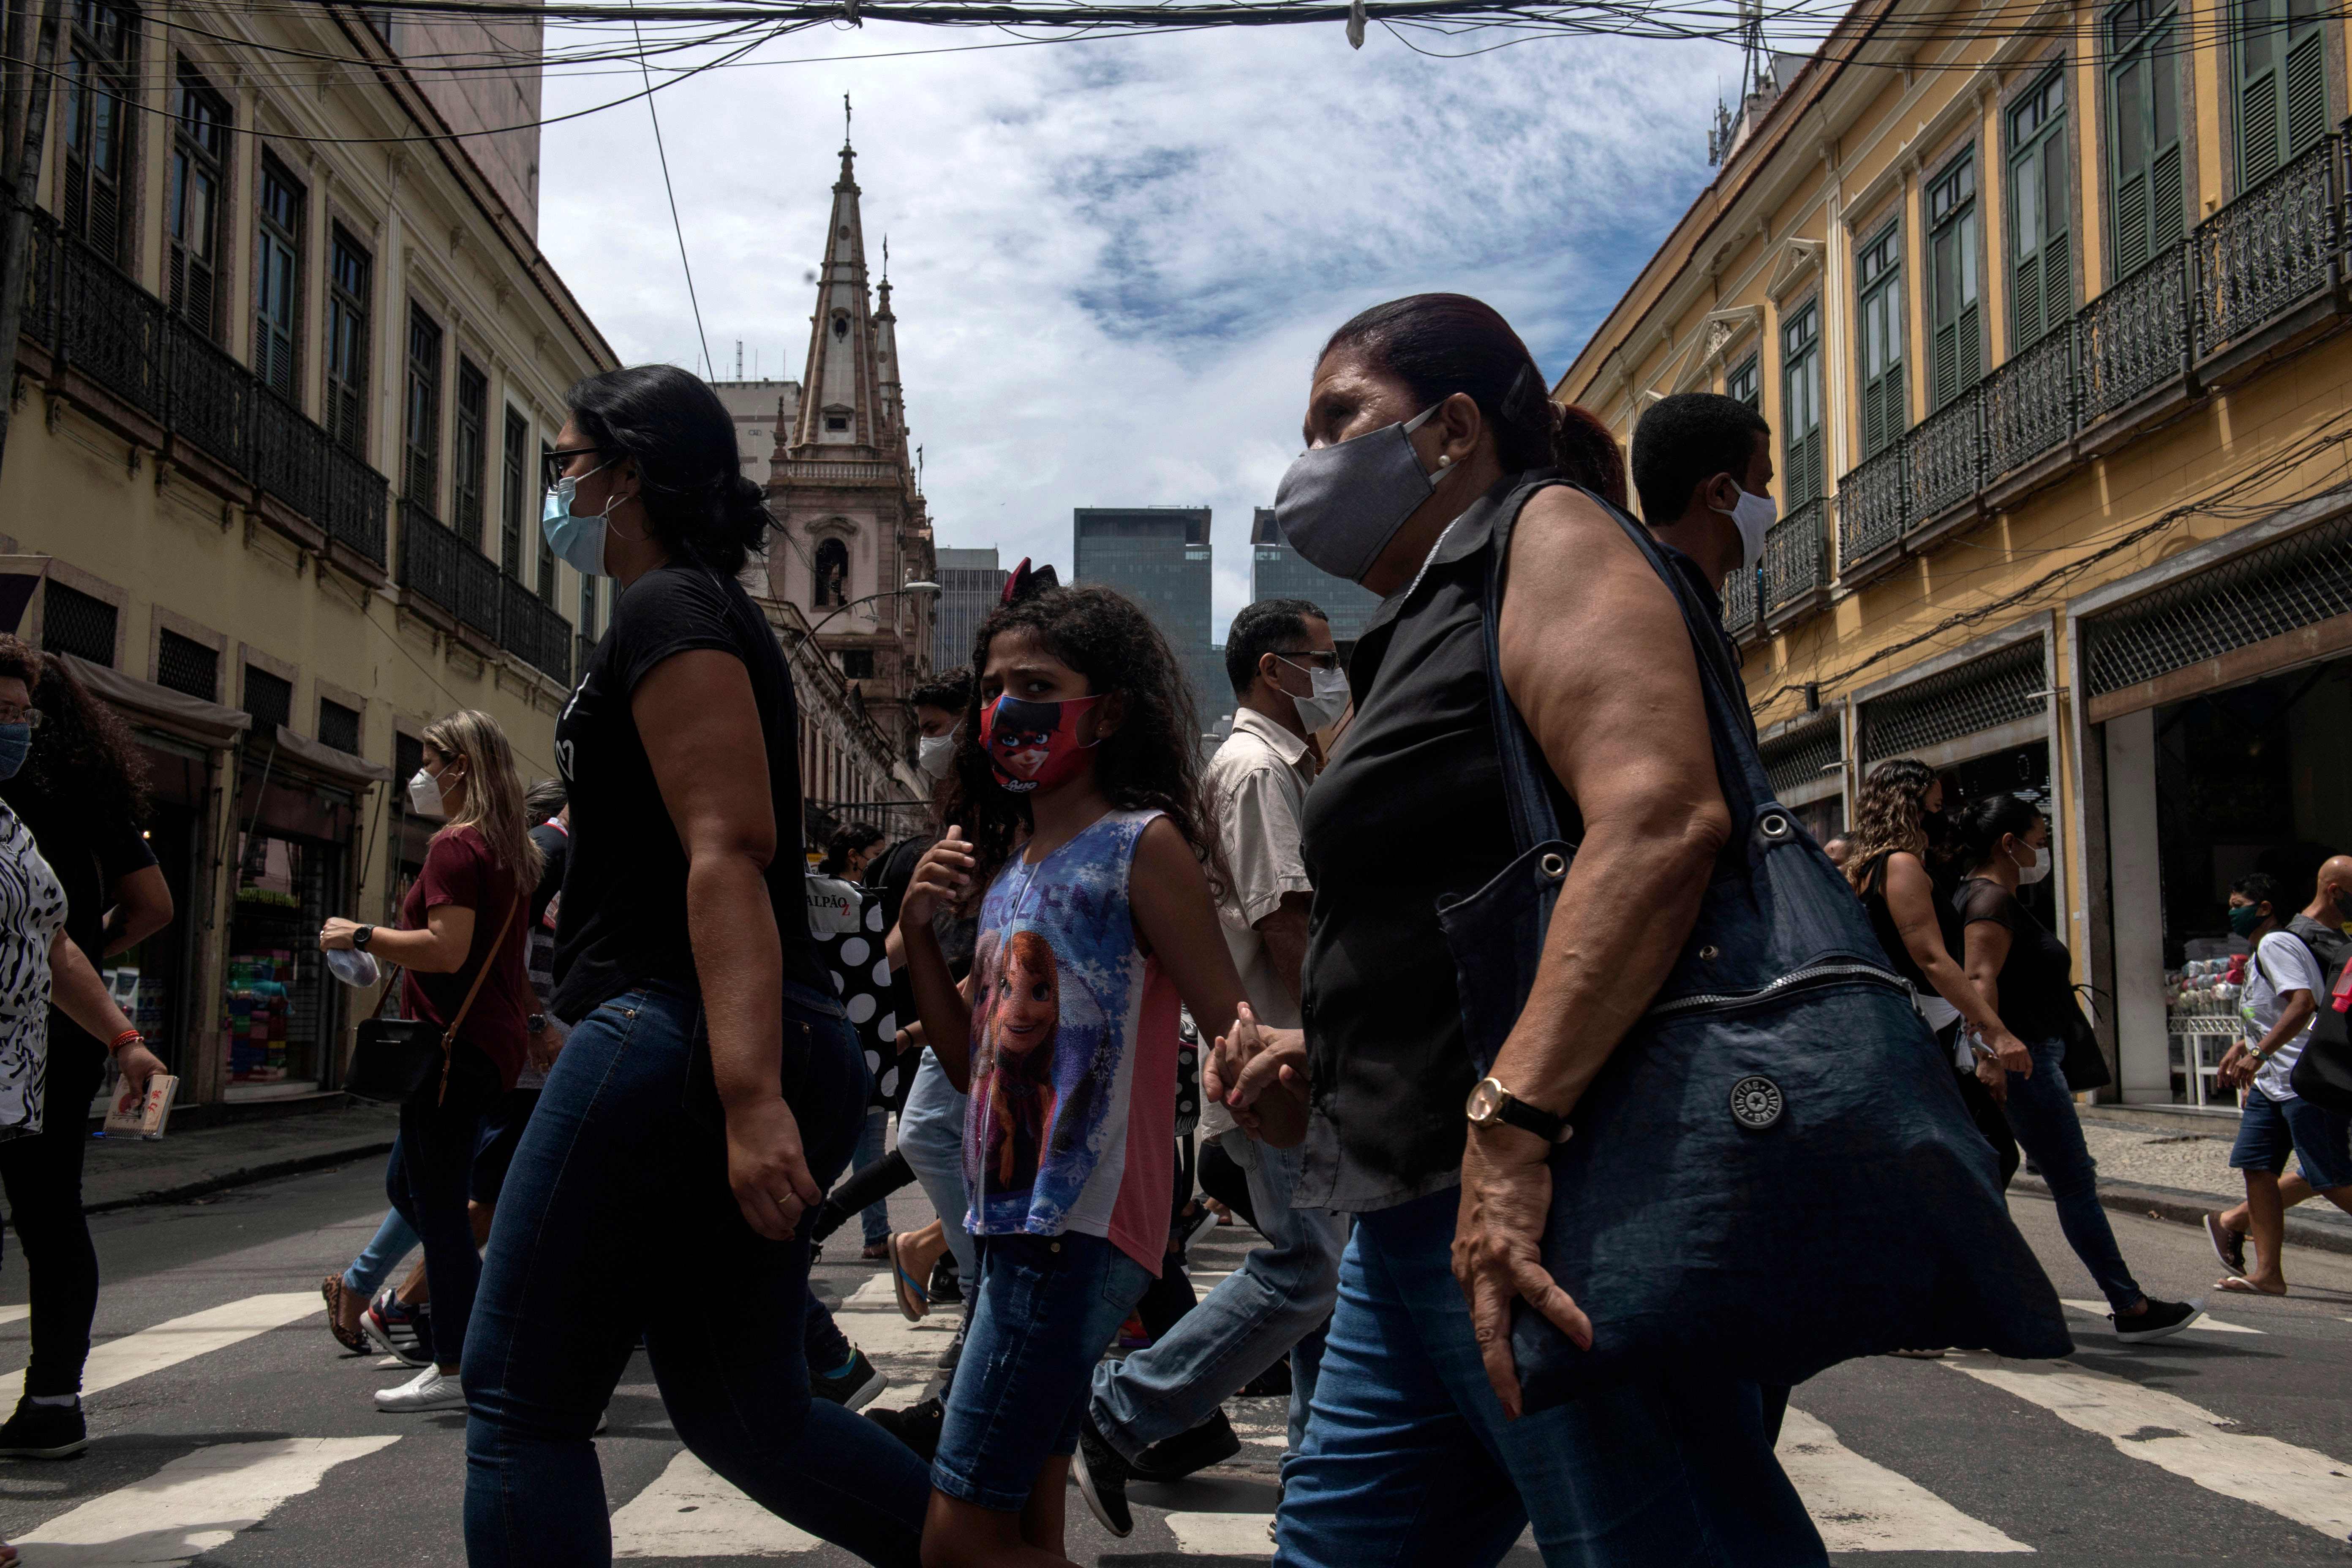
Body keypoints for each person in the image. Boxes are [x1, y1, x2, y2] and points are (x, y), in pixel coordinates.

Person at [1226, 292, 1822, 1568]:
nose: (1306, 464)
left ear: (1449, 430)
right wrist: (1317, 1053)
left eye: (1339, 419)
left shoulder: (1546, 537)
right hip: (1413, 1221)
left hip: (1556, 1213)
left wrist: (1514, 1126)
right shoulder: (1431, 613)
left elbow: (1657, 818)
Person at [461, 364, 930, 1567]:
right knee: (747, 1416)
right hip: (717, 1036)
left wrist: (748, 1094)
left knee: (521, 1405)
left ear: (629, 472)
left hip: (676, 1035)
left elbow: (728, 846)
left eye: (568, 465)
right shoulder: (697, 610)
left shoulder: (672, 610)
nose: (558, 490)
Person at [895, 580, 1293, 1568]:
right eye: (994, 686)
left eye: (1037, 683)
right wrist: (913, 933)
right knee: (1026, 1521)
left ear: (1107, 710)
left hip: (1075, 1226)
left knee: (957, 1538)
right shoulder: (1014, 862)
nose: (1005, 708)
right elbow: (970, 1063)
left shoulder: (1138, 845)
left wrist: (1274, 1082)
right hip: (1005, 1223)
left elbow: (1224, 1021)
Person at [1074, 597, 1348, 1536]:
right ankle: (1119, 1409)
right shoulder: (1256, 770)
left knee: (1331, 1287)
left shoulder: (1277, 764)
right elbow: (1286, 925)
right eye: (1323, 656)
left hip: (1286, 1062)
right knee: (1309, 1272)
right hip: (1278, 1065)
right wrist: (1336, 1044)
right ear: (1276, 669)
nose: (1334, 670)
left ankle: (1317, 1492)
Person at [321, 710, 540, 1413]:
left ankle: (459, 1360)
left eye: (430, 760)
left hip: (451, 1044)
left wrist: (360, 932)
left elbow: (446, 949)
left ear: (461, 767)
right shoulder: (510, 850)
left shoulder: (456, 846)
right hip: (488, 1043)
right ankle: (473, 1342)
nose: (421, 774)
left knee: (439, 1210)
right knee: (414, 1190)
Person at [0, 648, 172, 1459]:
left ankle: (53, 1401)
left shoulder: (16, 824)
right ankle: (54, 1396)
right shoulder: (81, 790)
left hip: (38, 1051)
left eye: (18, 715)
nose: (11, 730)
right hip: (55, 1046)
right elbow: (143, 908)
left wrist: (123, 1034)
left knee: (50, 1215)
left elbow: (53, 938)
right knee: (50, 1215)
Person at [1953, 793, 2197, 1339]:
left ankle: (1979, 1295)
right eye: (2038, 840)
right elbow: (1977, 979)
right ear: (2008, 844)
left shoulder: (1994, 896)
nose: (2043, 850)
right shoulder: (1988, 900)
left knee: (2001, 1176)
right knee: (2071, 1181)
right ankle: (2129, 1307)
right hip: (2022, 1061)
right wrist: (1992, 1053)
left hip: (2030, 1055)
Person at [1845, 760, 2028, 1188]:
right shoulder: (1900, 866)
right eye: (1936, 805)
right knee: (1991, 1151)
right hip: (1924, 1034)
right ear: (1910, 807)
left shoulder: (1865, 869)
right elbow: (1930, 958)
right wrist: (1997, 1033)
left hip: (1902, 1031)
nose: (1944, 816)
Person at [2207, 871, 2352, 1296]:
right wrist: (2246, 1044)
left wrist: (2259, 1053)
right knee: (2258, 1168)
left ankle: (2264, 1266)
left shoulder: (2275, 944)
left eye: (2237, 905)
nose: (2232, 913)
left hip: (2301, 1079)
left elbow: (2303, 1005)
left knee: (2330, 1178)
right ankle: (2268, 1273)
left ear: (2264, 908)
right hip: (2272, 1084)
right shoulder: (2265, 950)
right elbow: (2275, 1011)